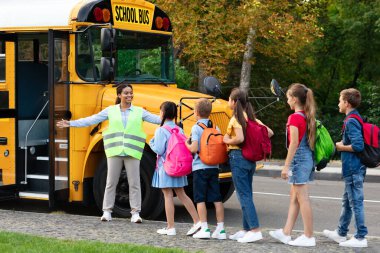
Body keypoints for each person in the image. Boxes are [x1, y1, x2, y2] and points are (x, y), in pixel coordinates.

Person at [56, 83, 160, 223]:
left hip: (132, 151)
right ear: (119, 95)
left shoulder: (140, 111)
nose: (129, 95)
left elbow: (158, 120)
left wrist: (173, 119)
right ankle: (107, 211)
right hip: (115, 151)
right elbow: (91, 120)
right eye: (126, 93)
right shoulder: (110, 111)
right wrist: (71, 123)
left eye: (131, 93)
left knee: (134, 183)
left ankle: (135, 213)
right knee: (111, 182)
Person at [223, 88, 273, 243]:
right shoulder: (252, 118)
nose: (228, 101)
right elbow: (269, 132)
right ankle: (246, 229)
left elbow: (239, 138)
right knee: (246, 194)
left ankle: (255, 230)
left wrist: (226, 140)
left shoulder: (236, 118)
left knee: (243, 195)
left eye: (229, 99)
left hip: (238, 158)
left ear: (233, 102)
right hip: (250, 160)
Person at [269, 83, 316, 247]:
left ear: (295, 99)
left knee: (303, 199)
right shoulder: (307, 116)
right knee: (295, 198)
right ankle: (286, 232)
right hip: (307, 159)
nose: (287, 101)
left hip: (299, 160)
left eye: (288, 97)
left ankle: (309, 236)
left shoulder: (295, 118)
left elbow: (294, 143)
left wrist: (286, 166)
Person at [323, 88, 368, 248]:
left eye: (340, 100)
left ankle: (361, 237)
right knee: (348, 202)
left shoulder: (351, 120)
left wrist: (341, 147)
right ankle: (341, 232)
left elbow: (358, 145)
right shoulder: (355, 118)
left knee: (356, 202)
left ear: (347, 103)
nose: (338, 103)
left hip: (354, 167)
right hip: (354, 167)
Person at [150, 101, 201, 236]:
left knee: (167, 195)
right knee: (182, 194)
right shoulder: (180, 129)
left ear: (163, 113)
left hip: (166, 167)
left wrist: (151, 143)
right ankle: (197, 221)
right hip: (179, 166)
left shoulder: (161, 130)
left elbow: (159, 150)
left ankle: (170, 227)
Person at [185, 98, 226, 240]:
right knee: (216, 198)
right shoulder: (216, 127)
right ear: (210, 112)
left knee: (200, 198)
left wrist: (187, 144)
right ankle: (221, 229)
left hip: (200, 167)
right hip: (214, 167)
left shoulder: (196, 127)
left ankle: (205, 228)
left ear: (196, 112)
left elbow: (194, 148)